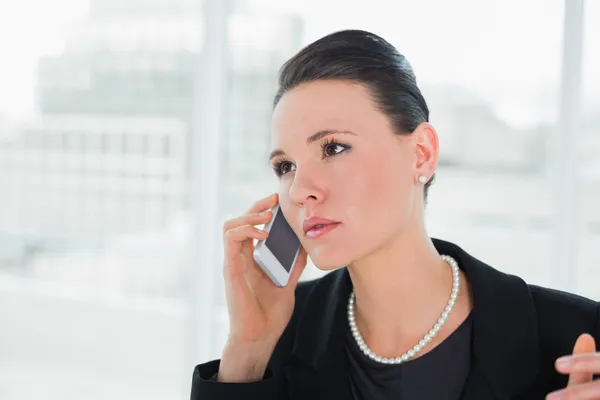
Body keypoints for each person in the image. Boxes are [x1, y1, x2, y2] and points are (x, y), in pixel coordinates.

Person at [190, 29, 600, 400]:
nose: (299, 192)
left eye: (333, 148)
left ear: (421, 154)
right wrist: (249, 348)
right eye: (285, 166)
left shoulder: (578, 337)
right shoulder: (278, 339)